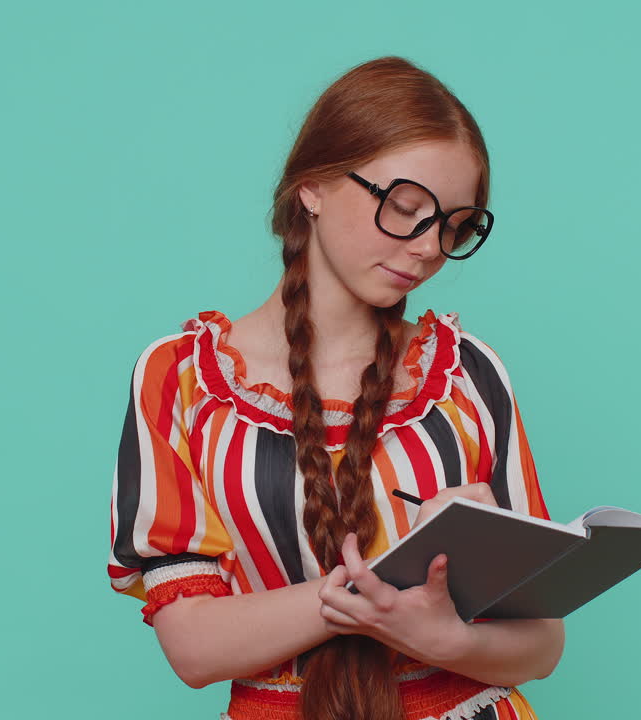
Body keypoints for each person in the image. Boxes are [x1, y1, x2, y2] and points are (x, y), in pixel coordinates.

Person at [107, 56, 564, 720]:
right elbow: (193, 649)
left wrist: (444, 636)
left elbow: (542, 645)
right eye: (406, 209)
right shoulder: (180, 380)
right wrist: (374, 590)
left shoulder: (468, 374)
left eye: (455, 226)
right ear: (313, 187)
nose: (429, 247)